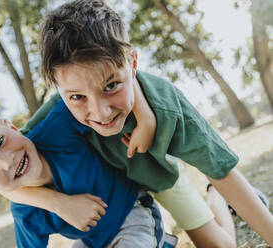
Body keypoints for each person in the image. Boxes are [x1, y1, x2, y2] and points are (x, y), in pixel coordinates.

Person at [18, 0, 273, 247]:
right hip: (116, 198)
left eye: (111, 85)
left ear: (133, 64)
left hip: (156, 172)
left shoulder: (166, 107)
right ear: (58, 90)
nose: (101, 112)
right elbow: (2, 175)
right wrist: (57, 203)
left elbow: (222, 171)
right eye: (77, 97)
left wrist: (147, 117)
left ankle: (215, 196)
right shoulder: (56, 115)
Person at [0, 106, 167, 248]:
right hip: (92, 242)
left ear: (12, 127)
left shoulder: (57, 131)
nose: (6, 161)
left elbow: (89, 90)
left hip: (132, 214)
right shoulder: (26, 214)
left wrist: (145, 117)